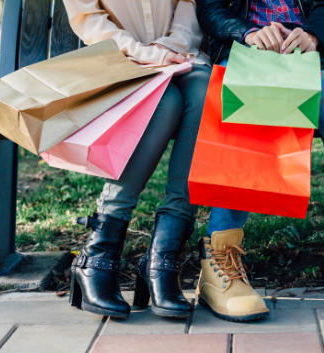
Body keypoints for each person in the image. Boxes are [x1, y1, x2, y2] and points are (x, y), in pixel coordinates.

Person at [196, 0, 324, 322]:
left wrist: (312, 35)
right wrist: (247, 33)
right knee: (247, 96)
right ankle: (219, 259)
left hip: (313, 56)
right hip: (245, 53)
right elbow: (211, 8)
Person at [63, 0, 211, 319]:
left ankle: (162, 258)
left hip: (178, 56)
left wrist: (168, 47)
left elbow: (188, 5)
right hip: (115, 63)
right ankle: (98, 254)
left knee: (204, 94)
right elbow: (90, 21)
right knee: (165, 102)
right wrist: (148, 54)